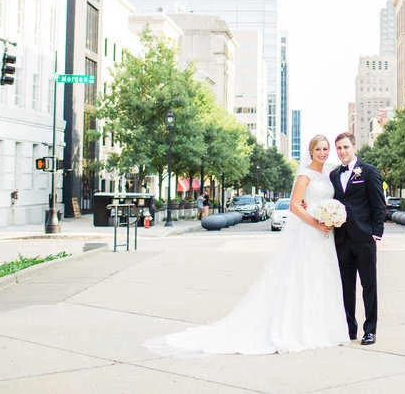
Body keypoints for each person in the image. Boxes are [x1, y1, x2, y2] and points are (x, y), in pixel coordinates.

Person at [145, 134, 348, 356]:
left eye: (325, 149)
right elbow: (294, 206)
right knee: (304, 278)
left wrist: (330, 217)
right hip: (310, 233)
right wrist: (316, 223)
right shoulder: (304, 175)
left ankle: (322, 327)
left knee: (322, 278)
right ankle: (302, 329)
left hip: (325, 236)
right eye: (318, 149)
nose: (322, 153)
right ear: (311, 151)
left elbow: (318, 201)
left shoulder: (328, 174)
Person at [330, 131, 386, 346]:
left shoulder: (369, 171)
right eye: (339, 148)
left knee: (368, 285)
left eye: (346, 147)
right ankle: (349, 328)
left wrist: (376, 232)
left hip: (364, 238)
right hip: (341, 238)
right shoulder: (334, 175)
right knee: (346, 286)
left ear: (354, 147)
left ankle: (370, 330)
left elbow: (379, 204)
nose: (343, 151)